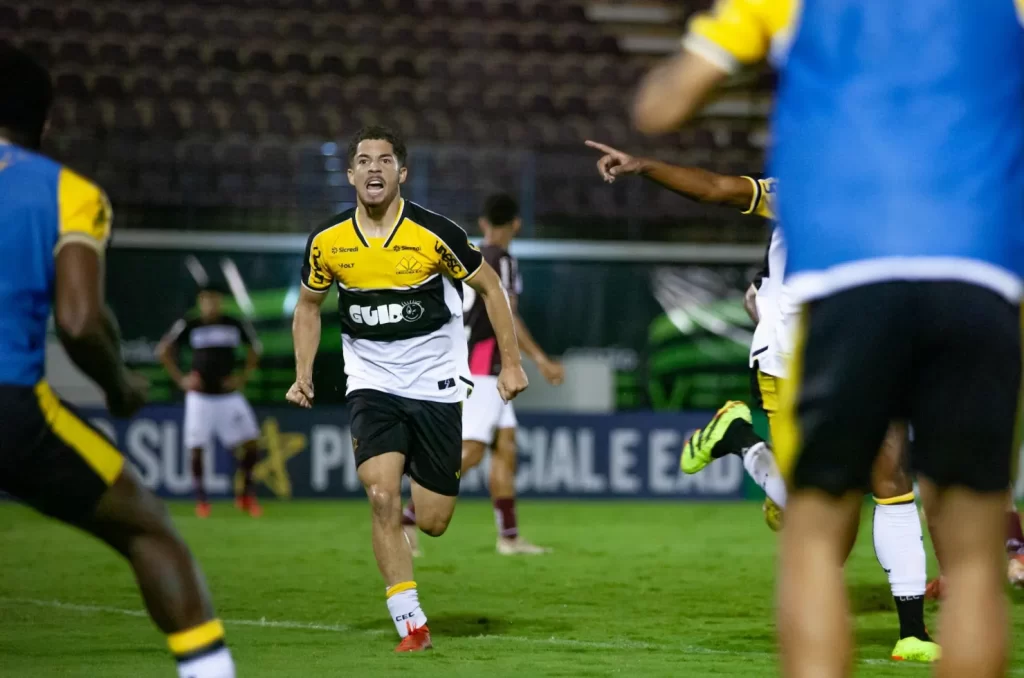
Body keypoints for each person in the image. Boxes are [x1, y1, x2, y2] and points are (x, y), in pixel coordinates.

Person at [632, 2, 1024, 677]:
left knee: (813, 539)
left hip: (850, 282)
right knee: (975, 560)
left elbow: (661, 107)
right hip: (977, 276)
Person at [587, 141, 937, 662]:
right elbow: (716, 188)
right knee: (818, 513)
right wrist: (645, 166)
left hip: (864, 354)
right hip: (789, 362)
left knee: (892, 480)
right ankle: (740, 438)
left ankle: (912, 634)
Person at [0, 46, 235, 678]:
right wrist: (120, 385)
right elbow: (79, 321)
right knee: (150, 531)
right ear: (44, 124)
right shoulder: (66, 192)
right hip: (11, 408)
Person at [287, 125, 528, 652]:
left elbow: (489, 288)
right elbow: (308, 306)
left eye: (385, 160)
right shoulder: (328, 242)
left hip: (436, 386)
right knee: (380, 495)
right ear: (350, 173)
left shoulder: (434, 232)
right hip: (370, 384)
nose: (374, 168)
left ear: (402, 171)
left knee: (435, 520)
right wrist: (304, 373)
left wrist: (511, 364)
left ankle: (424, 546)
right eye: (364, 160)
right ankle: (410, 622)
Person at [402, 193, 564, 556]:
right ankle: (408, 518)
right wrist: (539, 359)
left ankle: (508, 536)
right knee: (472, 450)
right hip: (487, 367)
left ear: (484, 222)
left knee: (504, 448)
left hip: (473, 359)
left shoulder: (470, 255)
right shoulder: (502, 260)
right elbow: (507, 314)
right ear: (517, 224)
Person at [157, 282, 264, 518]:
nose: (210, 304)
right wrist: (181, 380)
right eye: (206, 299)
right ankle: (202, 500)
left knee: (252, 445)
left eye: (214, 299)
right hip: (201, 398)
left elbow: (256, 349)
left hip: (229, 396)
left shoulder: (233, 324)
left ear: (221, 301)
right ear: (200, 302)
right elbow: (163, 350)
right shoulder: (190, 324)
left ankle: (246, 494)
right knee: (197, 448)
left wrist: (242, 377)